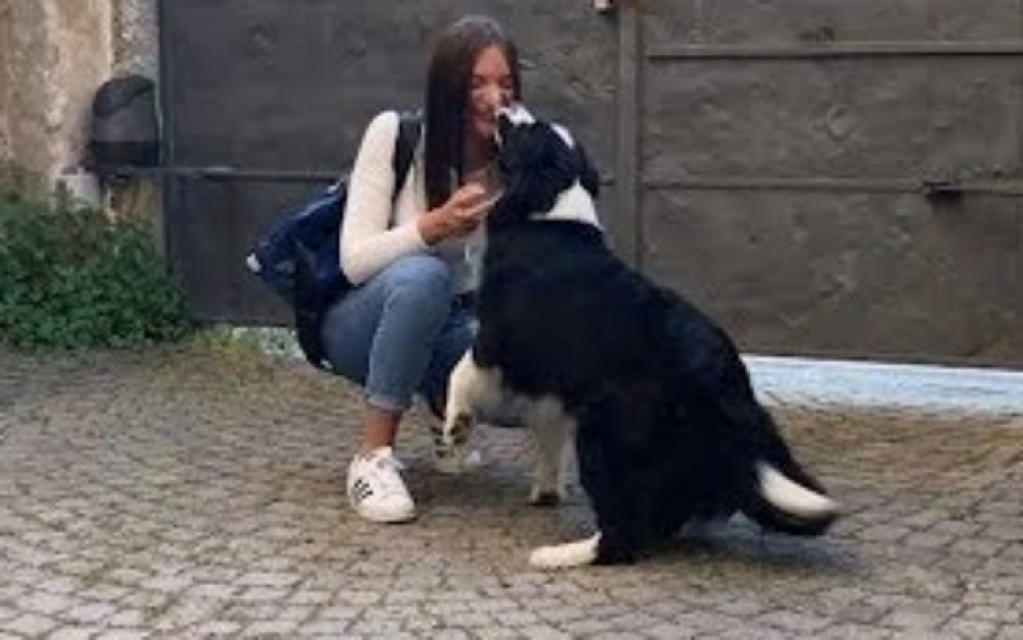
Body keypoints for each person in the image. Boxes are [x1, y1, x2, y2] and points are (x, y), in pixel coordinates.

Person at [320, 15, 520, 524]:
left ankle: (444, 412)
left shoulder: (517, 164)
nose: (493, 96)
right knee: (422, 275)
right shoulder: (396, 135)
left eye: (505, 83)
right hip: (359, 324)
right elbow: (355, 261)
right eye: (476, 83)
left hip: (452, 327)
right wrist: (429, 228)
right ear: (447, 88)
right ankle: (372, 458)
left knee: (526, 387)